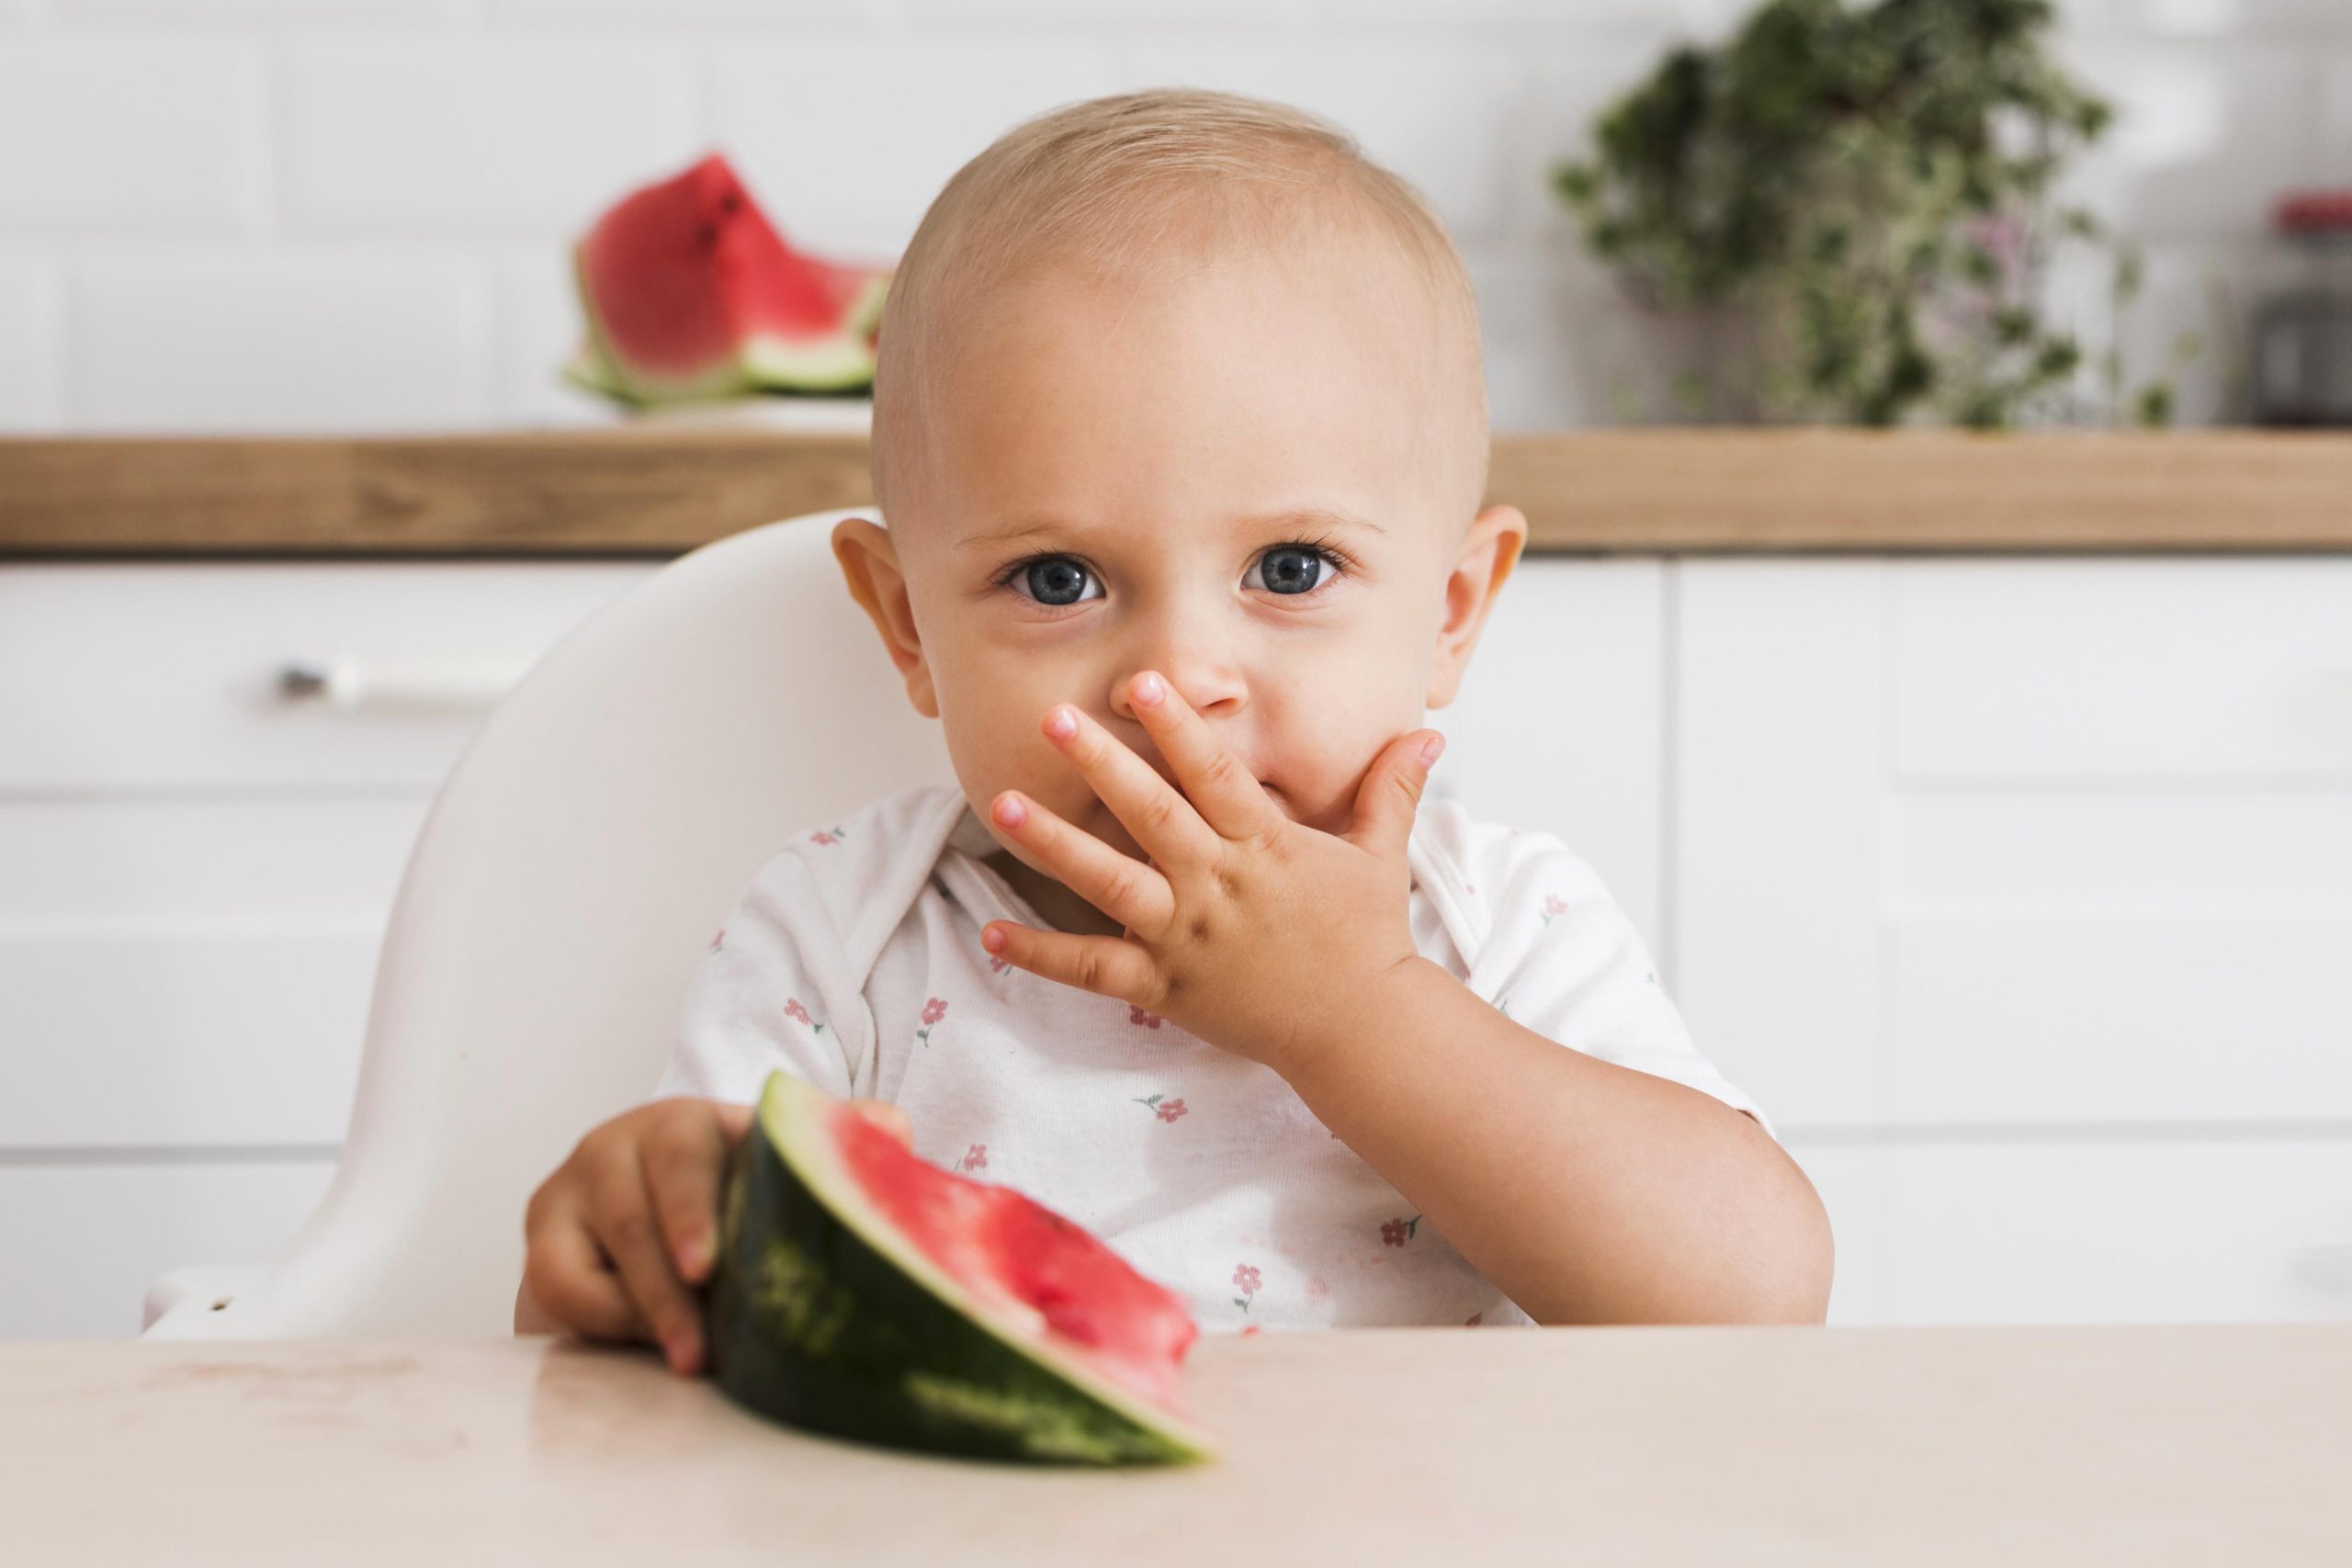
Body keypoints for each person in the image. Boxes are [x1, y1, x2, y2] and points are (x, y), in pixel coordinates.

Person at [516, 87, 1834, 1376]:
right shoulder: (844, 929)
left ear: (1450, 614)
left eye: (1293, 569)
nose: (1174, 680)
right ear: (908, 627)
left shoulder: (1493, 920)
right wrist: (626, 1235)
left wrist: (1358, 1013)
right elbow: (628, 1349)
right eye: (1058, 581)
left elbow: (1755, 1299)